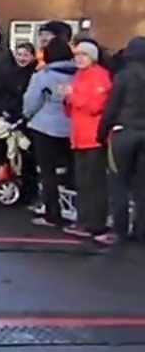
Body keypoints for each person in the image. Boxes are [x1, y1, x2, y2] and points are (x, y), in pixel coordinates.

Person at [63, 40, 114, 243]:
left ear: (92, 57)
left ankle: (96, 224)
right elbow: (73, 109)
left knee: (95, 183)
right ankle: (83, 221)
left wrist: (72, 96)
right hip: (79, 137)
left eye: (83, 55)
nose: (79, 58)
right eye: (77, 55)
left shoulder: (100, 76)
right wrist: (67, 99)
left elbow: (95, 106)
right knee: (83, 182)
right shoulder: (79, 75)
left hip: (94, 138)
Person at [23, 39, 76, 229]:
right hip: (72, 128)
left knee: (47, 172)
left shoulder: (43, 76)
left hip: (45, 127)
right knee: (71, 170)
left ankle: (51, 213)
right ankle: (73, 209)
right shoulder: (78, 75)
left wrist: (26, 116)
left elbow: (31, 101)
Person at [99, 36, 145, 244]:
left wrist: (101, 133)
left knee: (118, 183)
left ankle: (119, 230)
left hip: (124, 132)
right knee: (141, 186)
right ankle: (141, 230)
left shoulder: (123, 76)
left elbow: (111, 108)